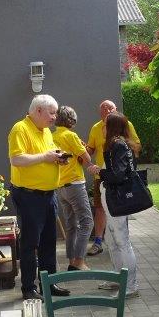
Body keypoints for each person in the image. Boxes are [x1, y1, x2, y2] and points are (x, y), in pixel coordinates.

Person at [7, 95, 70, 300]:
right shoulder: (20, 129)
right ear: (38, 111)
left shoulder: (46, 131)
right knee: (30, 243)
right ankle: (28, 288)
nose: (54, 117)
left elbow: (44, 157)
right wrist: (45, 157)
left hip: (48, 195)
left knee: (49, 242)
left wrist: (57, 159)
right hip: (29, 195)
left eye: (55, 113)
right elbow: (16, 159)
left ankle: (48, 285)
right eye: (52, 113)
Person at [86, 99, 142, 256]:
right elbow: (91, 148)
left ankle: (123, 243)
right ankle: (99, 241)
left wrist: (121, 163)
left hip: (116, 179)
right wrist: (85, 150)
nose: (107, 111)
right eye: (104, 109)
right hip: (103, 178)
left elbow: (135, 146)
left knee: (120, 217)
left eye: (110, 108)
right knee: (101, 209)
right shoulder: (97, 128)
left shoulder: (122, 135)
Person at [97, 112, 141, 298]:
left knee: (122, 240)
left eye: (105, 124)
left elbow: (118, 175)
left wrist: (99, 171)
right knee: (111, 239)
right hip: (113, 196)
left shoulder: (118, 145)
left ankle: (131, 285)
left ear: (112, 127)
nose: (103, 127)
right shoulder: (121, 143)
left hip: (117, 197)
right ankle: (118, 277)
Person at [53, 106, 99, 271]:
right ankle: (79, 261)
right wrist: (91, 165)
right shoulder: (70, 135)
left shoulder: (52, 136)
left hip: (61, 187)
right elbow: (85, 156)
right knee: (87, 222)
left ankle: (72, 261)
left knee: (71, 225)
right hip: (75, 184)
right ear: (71, 120)